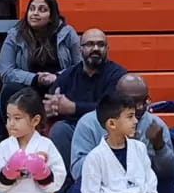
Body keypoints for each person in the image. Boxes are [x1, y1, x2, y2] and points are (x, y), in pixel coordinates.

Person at [0, 0, 79, 149]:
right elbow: (7, 72)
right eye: (32, 9)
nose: (35, 13)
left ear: (52, 15)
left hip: (58, 88)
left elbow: (79, 68)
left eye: (42, 10)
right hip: (28, 89)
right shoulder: (15, 34)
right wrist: (35, 79)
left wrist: (56, 77)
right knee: (10, 89)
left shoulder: (68, 33)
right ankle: (6, 141)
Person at [45, 28, 126, 178]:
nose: (95, 48)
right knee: (59, 130)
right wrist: (51, 108)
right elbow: (51, 102)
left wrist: (73, 108)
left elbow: (113, 108)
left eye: (100, 45)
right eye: (90, 44)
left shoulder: (118, 75)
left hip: (105, 129)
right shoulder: (67, 76)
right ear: (80, 49)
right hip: (73, 130)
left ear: (107, 49)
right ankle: (67, 185)